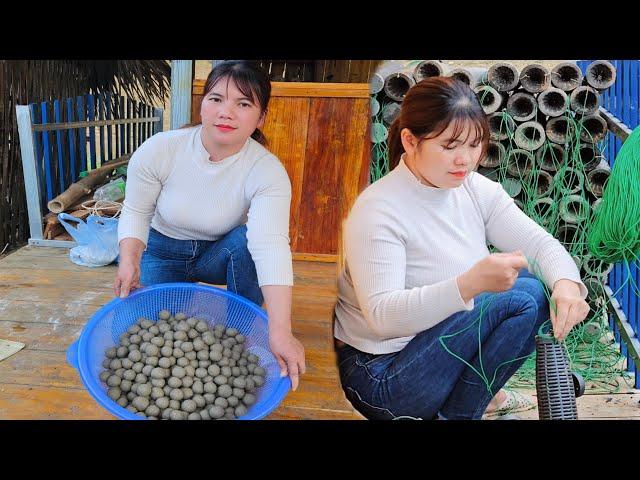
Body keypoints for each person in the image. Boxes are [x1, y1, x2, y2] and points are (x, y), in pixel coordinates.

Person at [334, 77, 590, 419]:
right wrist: (469, 284)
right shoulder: (379, 209)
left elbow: (539, 244)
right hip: (381, 377)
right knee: (519, 296)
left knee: (539, 286)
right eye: (450, 145)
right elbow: (382, 317)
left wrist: (567, 287)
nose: (464, 160)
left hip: (435, 356)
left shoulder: (473, 189)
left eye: (474, 145)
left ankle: (462, 411)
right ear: (410, 141)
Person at [114, 60, 305, 390]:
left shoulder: (267, 170)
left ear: (260, 117)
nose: (226, 112)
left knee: (250, 243)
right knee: (149, 333)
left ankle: (241, 333)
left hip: (217, 253)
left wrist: (280, 330)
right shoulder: (161, 149)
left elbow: (270, 247)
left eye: (243, 104)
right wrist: (129, 260)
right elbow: (136, 210)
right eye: (216, 99)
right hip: (162, 251)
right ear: (202, 106)